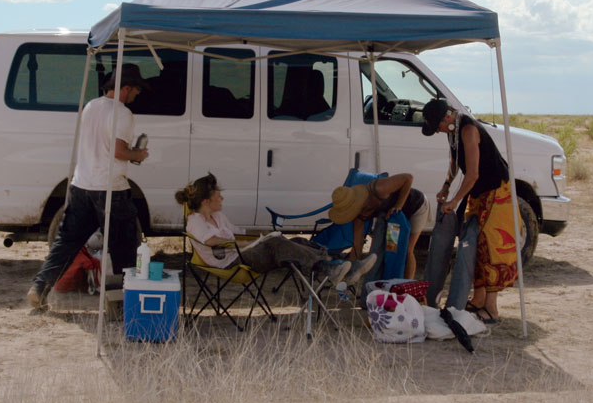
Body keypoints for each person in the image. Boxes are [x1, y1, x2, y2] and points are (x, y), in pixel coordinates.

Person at [26, 64, 150, 309]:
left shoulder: (91, 106)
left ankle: (40, 287)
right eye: (135, 90)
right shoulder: (123, 113)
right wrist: (139, 153)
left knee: (67, 242)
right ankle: (121, 302)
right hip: (111, 188)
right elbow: (118, 151)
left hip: (81, 185)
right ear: (125, 88)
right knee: (124, 247)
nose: (137, 94)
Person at [176, 173, 375, 284]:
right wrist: (247, 243)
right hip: (231, 264)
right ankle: (330, 267)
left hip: (243, 254)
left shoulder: (218, 216)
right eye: (218, 196)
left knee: (294, 242)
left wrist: (261, 235)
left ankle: (337, 266)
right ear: (205, 201)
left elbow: (239, 231)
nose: (222, 199)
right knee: (277, 244)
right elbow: (211, 242)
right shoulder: (195, 221)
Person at [420, 98, 516, 324]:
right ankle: (479, 298)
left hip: (495, 191)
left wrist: (454, 200)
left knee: (490, 246)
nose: (437, 131)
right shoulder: (452, 132)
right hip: (479, 192)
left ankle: (491, 308)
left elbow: (472, 174)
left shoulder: (469, 130)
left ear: (447, 117)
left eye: (437, 126)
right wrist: (446, 185)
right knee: (474, 244)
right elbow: (454, 163)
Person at [327, 173, 431, 280]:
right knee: (392, 249)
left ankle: (409, 285)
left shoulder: (379, 188)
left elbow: (408, 178)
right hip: (394, 219)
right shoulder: (358, 216)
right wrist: (353, 266)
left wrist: (398, 205)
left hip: (417, 205)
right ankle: (393, 282)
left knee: (408, 249)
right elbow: (357, 244)